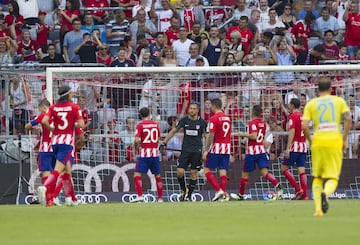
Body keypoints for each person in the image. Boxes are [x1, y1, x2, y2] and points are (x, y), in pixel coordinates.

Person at [302, 77, 352, 217]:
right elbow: (348, 118)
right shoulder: (339, 101)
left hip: (318, 141)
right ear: (331, 89)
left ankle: (318, 210)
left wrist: (310, 140)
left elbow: (304, 126)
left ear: (317, 90)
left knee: (317, 177)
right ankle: (326, 193)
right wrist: (344, 138)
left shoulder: (312, 103)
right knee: (333, 177)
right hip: (334, 141)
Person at [38, 85, 85, 207]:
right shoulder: (74, 107)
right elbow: (81, 124)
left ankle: (71, 199)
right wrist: (71, 125)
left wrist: (53, 129)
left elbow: (44, 121)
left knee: (66, 170)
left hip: (55, 141)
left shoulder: (53, 107)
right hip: (67, 142)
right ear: (69, 95)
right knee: (58, 170)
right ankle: (45, 188)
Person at [231, 105, 284, 201]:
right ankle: (278, 186)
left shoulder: (252, 123)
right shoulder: (263, 124)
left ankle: (241, 195)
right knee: (265, 173)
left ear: (253, 112)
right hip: (261, 150)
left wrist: (242, 134)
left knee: (245, 173)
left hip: (252, 151)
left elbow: (254, 136)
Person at [162, 102, 207, 201]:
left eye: (194, 108)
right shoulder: (184, 120)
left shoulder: (202, 123)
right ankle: (183, 190)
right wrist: (164, 142)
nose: (192, 110)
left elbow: (207, 136)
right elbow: (174, 131)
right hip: (185, 150)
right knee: (180, 172)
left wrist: (206, 151)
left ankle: (189, 195)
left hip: (197, 151)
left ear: (198, 110)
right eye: (190, 108)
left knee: (193, 173)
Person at [202, 98, 232, 201]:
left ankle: (218, 190)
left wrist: (206, 150)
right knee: (223, 171)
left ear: (214, 106)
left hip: (217, 148)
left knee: (206, 169)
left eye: (211, 106)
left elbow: (211, 135)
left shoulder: (214, 118)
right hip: (227, 148)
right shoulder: (227, 118)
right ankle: (222, 196)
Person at [131, 107, 163, 203]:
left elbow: (137, 140)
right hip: (155, 153)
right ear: (149, 113)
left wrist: (136, 147)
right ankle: (160, 198)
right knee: (157, 175)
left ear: (140, 115)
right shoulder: (155, 124)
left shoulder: (140, 125)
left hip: (145, 154)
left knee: (137, 174)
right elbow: (158, 138)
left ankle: (140, 195)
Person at [282, 98, 309, 200]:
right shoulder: (303, 116)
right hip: (303, 146)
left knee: (284, 168)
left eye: (289, 104)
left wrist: (288, 148)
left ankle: (298, 189)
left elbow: (292, 132)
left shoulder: (293, 116)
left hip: (295, 146)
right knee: (301, 170)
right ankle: (305, 195)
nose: (288, 105)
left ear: (292, 105)